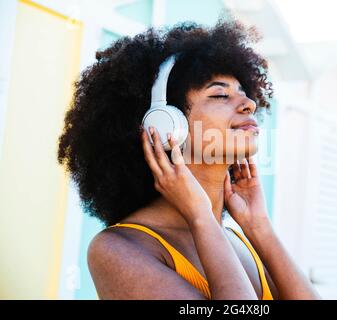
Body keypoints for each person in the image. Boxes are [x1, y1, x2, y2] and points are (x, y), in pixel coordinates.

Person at [57, 17, 319, 300]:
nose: (249, 104)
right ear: (165, 124)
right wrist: (201, 216)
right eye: (220, 95)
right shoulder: (119, 248)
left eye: (244, 94)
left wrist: (260, 227)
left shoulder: (247, 240)